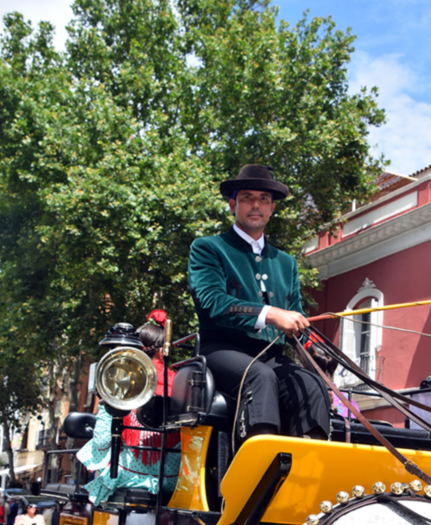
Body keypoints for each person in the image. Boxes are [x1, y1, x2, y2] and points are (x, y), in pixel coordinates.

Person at [188, 164, 329, 445]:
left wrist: (312, 344)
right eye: (247, 198)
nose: (256, 205)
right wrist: (272, 314)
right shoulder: (208, 248)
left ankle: (308, 473)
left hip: (271, 354)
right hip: (221, 350)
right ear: (233, 205)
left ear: (272, 209)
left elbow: (296, 314)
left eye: (264, 199)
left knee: (312, 385)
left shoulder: (286, 262)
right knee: (260, 376)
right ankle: (257, 474)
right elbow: (213, 302)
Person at [77, 310, 181, 505]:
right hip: (174, 479)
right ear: (162, 351)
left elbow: (101, 442)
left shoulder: (124, 382)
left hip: (128, 476)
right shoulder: (181, 382)